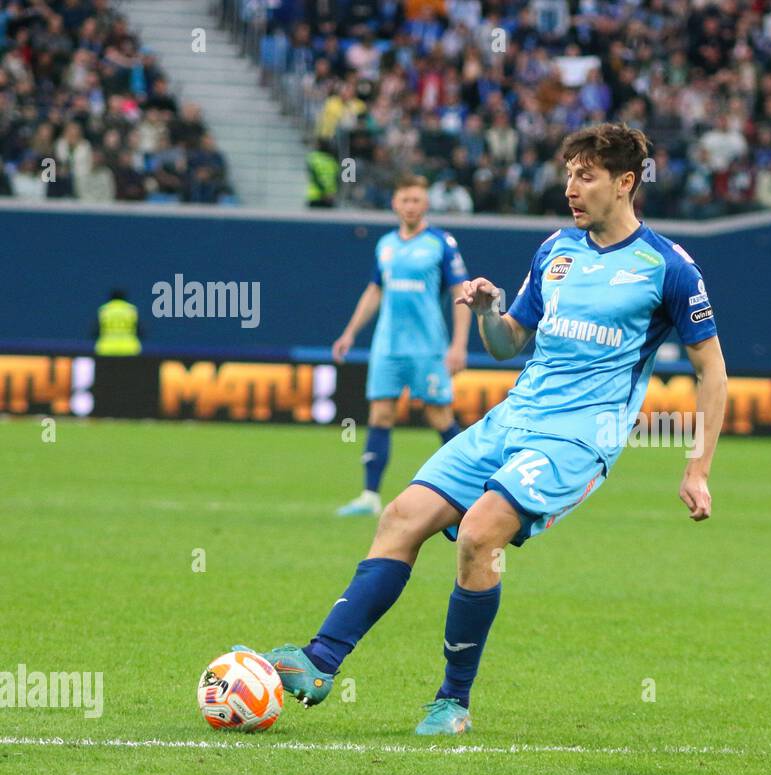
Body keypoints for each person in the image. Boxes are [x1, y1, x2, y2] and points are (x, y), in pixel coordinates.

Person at [239, 124, 728, 735]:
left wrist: (697, 467)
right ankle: (319, 662)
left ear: (626, 183)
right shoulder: (555, 251)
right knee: (400, 517)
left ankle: (452, 701)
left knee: (478, 534)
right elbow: (508, 344)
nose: (571, 188)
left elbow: (712, 368)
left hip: (576, 440)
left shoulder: (668, 268)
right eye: (568, 174)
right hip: (511, 418)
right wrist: (488, 309)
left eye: (586, 175)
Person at [332, 173, 472, 516]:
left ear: (426, 204)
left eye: (417, 200)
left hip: (428, 347)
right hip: (387, 346)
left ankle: (471, 488)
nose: (410, 206)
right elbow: (374, 291)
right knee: (380, 413)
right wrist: (350, 332)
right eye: (405, 200)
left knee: (439, 415)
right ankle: (369, 496)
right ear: (395, 203)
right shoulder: (385, 245)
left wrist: (458, 345)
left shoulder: (441, 243)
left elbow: (460, 293)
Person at [93, 289, 141, 356]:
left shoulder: (104, 310)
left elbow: (95, 331)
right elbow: (140, 331)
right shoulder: (131, 310)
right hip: (129, 348)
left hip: (106, 349)